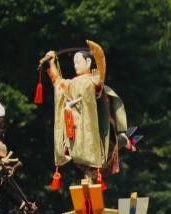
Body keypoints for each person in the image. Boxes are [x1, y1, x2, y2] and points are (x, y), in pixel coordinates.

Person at [42, 44, 131, 183]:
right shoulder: (71, 83)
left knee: (96, 156)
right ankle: (88, 177)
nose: (75, 65)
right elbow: (58, 83)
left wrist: (98, 77)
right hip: (75, 129)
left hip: (92, 130)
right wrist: (52, 63)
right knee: (80, 158)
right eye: (74, 62)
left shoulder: (93, 80)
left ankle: (122, 139)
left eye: (78, 62)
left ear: (88, 62)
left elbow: (98, 88)